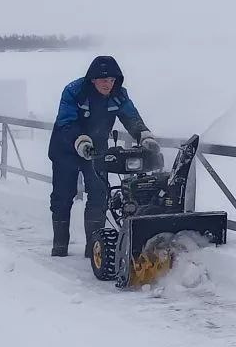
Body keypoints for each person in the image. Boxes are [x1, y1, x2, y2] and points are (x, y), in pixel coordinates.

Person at [48, 55, 158, 257]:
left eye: (112, 80)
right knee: (63, 195)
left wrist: (144, 135)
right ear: (92, 79)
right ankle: (60, 245)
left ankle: (94, 249)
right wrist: (80, 140)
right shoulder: (74, 92)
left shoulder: (119, 95)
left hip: (97, 148)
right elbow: (66, 122)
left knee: (99, 194)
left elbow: (131, 117)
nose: (108, 84)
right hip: (66, 147)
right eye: (104, 80)